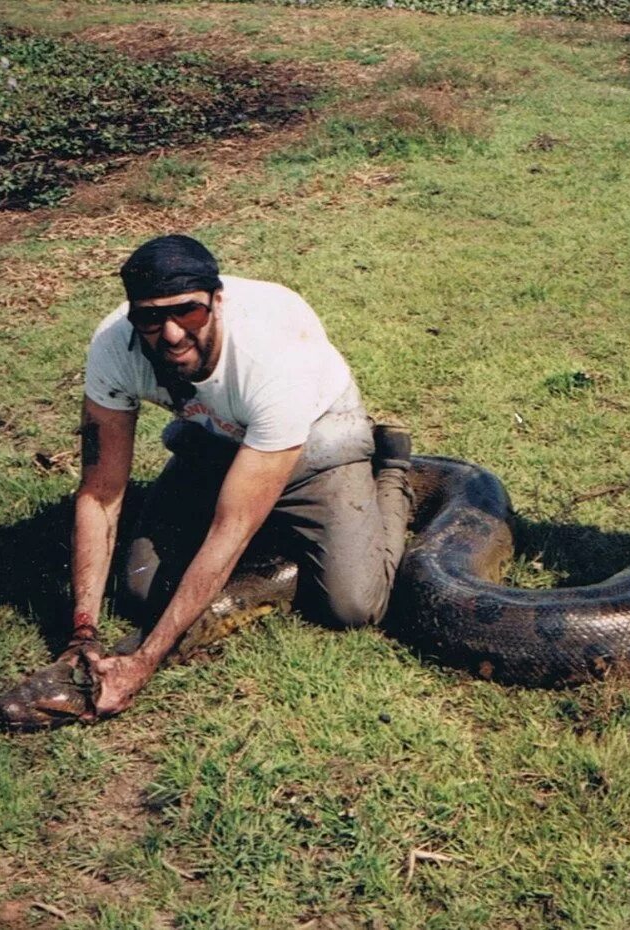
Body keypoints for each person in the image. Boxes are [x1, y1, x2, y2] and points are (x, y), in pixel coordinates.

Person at [68, 234, 413, 717]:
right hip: (213, 437)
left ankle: (393, 471)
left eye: (188, 312)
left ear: (217, 301)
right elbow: (101, 493)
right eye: (150, 317)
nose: (170, 334)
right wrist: (81, 632)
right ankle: (290, 544)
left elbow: (231, 527)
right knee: (142, 589)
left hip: (317, 443)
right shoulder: (113, 347)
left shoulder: (272, 356)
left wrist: (144, 661)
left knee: (353, 605)